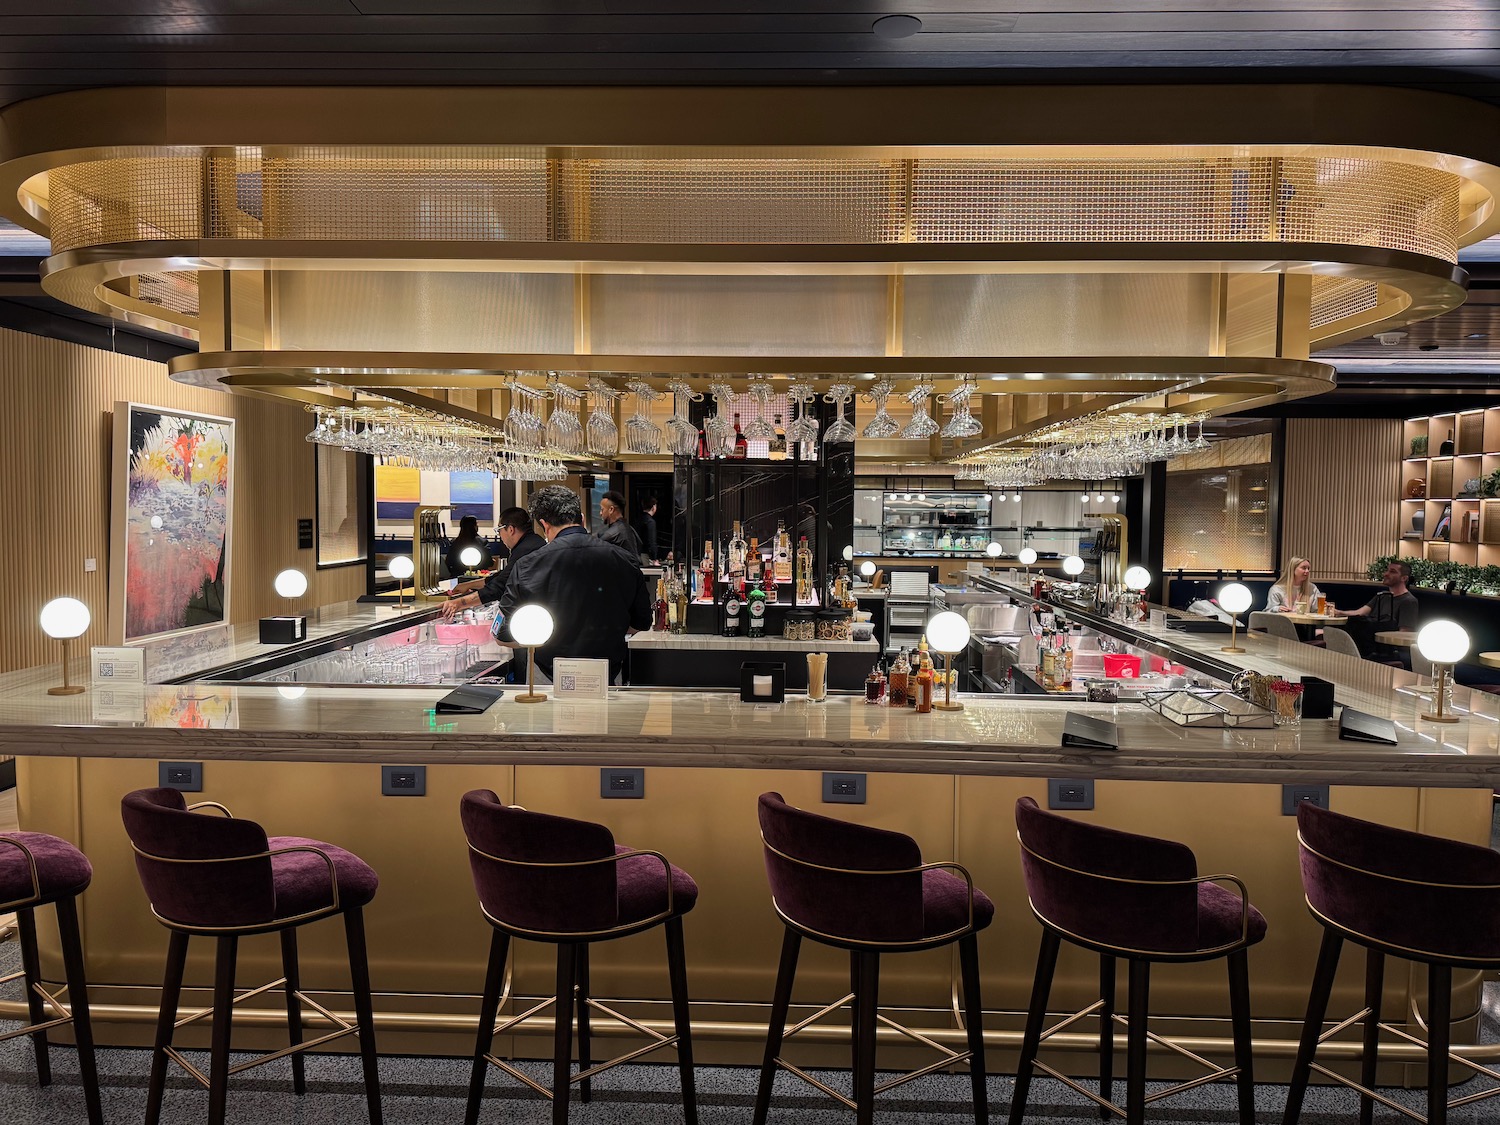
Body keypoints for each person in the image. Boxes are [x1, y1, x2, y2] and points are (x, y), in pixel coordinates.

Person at [497, 485, 651, 682]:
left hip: (547, 676)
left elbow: (502, 634)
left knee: (542, 714)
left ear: (545, 526)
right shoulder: (624, 559)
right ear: (583, 518)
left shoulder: (526, 565)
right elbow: (641, 622)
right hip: (608, 676)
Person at [442, 507, 544, 620]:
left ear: (510, 529)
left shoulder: (525, 549)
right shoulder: (533, 542)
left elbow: (501, 585)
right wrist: (468, 585)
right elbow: (502, 576)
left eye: (499, 529)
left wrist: (459, 603)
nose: (499, 535)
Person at [1334, 559, 1419, 658]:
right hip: (1370, 646)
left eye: (1392, 572)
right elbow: (1360, 613)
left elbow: (1405, 634)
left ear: (1404, 578)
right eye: (1387, 570)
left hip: (1386, 650)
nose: (1386, 574)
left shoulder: (1408, 601)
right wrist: (1338, 612)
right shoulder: (1382, 596)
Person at [595, 489, 642, 559]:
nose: (600, 513)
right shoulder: (630, 530)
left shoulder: (610, 535)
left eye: (602, 509)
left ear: (611, 509)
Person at [443, 515, 493, 581]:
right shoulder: (483, 542)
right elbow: (489, 562)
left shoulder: (455, 543)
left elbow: (449, 562)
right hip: (478, 579)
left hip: (458, 578)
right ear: (474, 526)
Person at [633, 494, 660, 563]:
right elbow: (652, 541)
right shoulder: (650, 522)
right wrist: (654, 558)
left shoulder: (638, 520)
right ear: (653, 507)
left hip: (637, 554)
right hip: (646, 556)